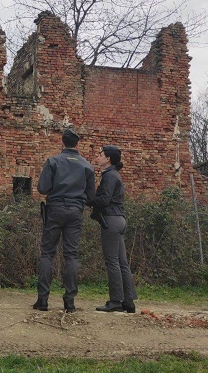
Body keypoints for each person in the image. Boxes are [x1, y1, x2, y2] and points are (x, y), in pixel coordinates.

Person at [34, 128, 95, 313]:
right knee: (71, 255)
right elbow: (91, 196)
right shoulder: (87, 166)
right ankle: (70, 302)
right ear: (77, 143)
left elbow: (42, 188)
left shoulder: (53, 162)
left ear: (62, 142)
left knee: (47, 254)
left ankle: (43, 300)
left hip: (54, 210)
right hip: (75, 212)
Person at [91, 145, 138, 313]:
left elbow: (104, 200)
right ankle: (128, 302)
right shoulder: (114, 174)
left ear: (108, 159)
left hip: (111, 220)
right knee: (122, 262)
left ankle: (116, 301)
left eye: (100, 154)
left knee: (112, 262)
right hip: (119, 220)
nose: (97, 157)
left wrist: (87, 199)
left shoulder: (110, 176)